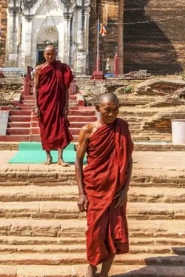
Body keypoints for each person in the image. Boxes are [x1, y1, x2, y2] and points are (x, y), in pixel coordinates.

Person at [75, 92, 134, 277]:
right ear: (98, 108)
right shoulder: (88, 130)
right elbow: (78, 161)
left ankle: (105, 274)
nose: (112, 114)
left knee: (115, 233)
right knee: (95, 233)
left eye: (116, 109)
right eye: (108, 110)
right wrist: (81, 193)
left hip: (116, 191)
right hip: (95, 189)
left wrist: (125, 189)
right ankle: (91, 269)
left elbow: (128, 159)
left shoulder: (122, 127)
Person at [32, 45, 73, 166]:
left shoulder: (62, 69)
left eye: (52, 54)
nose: (50, 56)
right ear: (44, 55)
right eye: (47, 54)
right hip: (44, 104)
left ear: (56, 54)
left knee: (60, 129)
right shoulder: (39, 69)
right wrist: (35, 105)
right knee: (46, 130)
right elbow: (35, 87)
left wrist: (66, 106)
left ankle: (60, 158)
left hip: (59, 103)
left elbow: (65, 89)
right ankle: (48, 156)